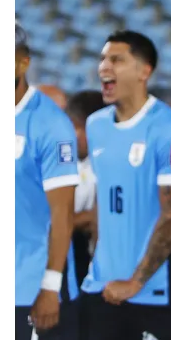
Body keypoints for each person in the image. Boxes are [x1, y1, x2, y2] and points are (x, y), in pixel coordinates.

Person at [81, 30, 171, 340]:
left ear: (145, 70)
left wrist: (137, 281)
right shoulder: (95, 125)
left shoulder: (168, 128)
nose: (104, 68)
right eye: (103, 59)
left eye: (116, 60)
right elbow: (103, 201)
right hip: (105, 287)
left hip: (154, 291)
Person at [15, 21, 80, 340]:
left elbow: (63, 214)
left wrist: (50, 287)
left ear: (22, 63)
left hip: (28, 289)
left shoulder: (49, 123)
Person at [65, 90, 106, 287]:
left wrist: (65, 222)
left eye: (79, 128)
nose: (74, 135)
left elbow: (98, 216)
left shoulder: (107, 164)